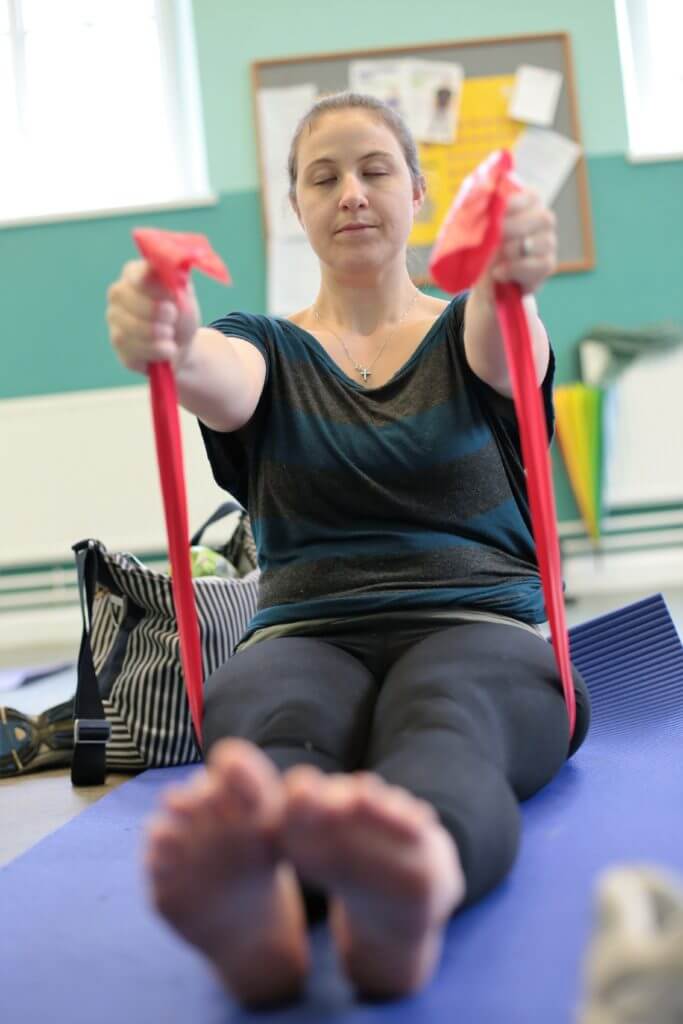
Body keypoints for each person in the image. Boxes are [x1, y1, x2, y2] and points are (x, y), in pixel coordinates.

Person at [105, 91, 591, 1007]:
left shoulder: (469, 328)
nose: (351, 194)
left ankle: (416, 882)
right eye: (322, 178)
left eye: (374, 171)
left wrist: (505, 268)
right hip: (302, 635)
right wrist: (168, 333)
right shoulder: (265, 346)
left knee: (445, 720)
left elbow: (505, 331)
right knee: (272, 733)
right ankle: (270, 903)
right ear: (295, 208)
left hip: (474, 623)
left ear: (415, 189)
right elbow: (213, 371)